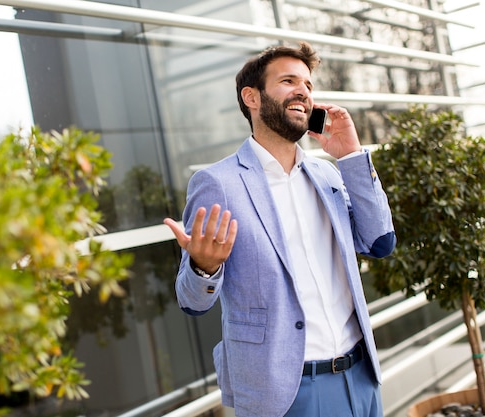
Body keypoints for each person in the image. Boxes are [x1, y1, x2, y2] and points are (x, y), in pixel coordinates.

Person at [163, 42, 396, 417]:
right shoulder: (218, 183)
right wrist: (203, 267)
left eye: (307, 83)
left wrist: (351, 156)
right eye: (288, 81)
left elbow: (380, 242)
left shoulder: (327, 175)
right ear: (251, 97)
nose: (303, 90)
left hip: (361, 377)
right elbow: (192, 300)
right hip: (288, 392)